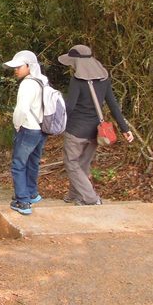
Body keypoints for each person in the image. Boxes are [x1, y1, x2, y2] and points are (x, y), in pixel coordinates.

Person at [58, 44, 133, 205]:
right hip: (95, 131)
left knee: (71, 163)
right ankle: (75, 194)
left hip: (76, 130)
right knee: (83, 163)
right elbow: (113, 106)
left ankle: (90, 198)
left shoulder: (77, 81)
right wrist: (124, 129)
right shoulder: (103, 80)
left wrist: (57, 124)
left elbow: (69, 107)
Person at [3, 50, 48, 215]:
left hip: (28, 129)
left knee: (18, 165)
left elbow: (21, 109)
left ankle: (23, 202)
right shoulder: (43, 81)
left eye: (19, 67)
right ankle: (32, 193)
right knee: (33, 162)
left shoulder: (27, 84)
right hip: (41, 129)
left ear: (29, 66)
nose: (15, 70)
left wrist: (16, 126)